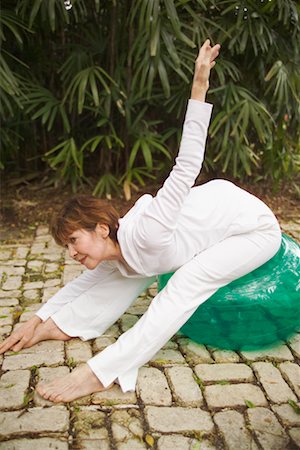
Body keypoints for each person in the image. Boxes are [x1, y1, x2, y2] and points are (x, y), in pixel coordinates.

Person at [0, 40, 281, 403]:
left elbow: (187, 164)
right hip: (212, 222)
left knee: (182, 284)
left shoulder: (148, 229)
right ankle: (60, 328)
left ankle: (100, 372)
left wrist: (199, 85)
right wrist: (37, 321)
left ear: (102, 228)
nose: (70, 252)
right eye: (66, 246)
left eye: (73, 240)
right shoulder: (117, 250)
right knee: (117, 278)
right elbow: (79, 288)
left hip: (252, 228)